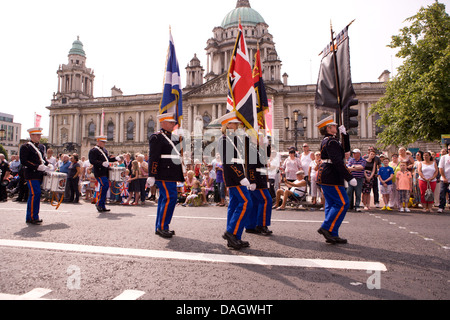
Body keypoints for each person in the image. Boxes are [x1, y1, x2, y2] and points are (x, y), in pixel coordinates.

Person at [315, 116, 356, 244]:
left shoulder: (332, 140)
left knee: (332, 204)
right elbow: (338, 161)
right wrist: (349, 177)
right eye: (334, 126)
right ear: (328, 128)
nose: (336, 128)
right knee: (342, 203)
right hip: (331, 174)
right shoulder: (331, 142)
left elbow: (345, 152)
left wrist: (345, 136)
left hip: (329, 174)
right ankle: (327, 227)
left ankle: (333, 233)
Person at [217, 112, 253, 250]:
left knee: (235, 205)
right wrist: (241, 177)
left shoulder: (232, 139)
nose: (237, 125)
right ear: (228, 125)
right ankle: (231, 232)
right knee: (246, 202)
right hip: (234, 177)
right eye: (235, 123)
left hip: (236, 176)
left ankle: (235, 237)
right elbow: (230, 161)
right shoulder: (224, 140)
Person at [147, 112, 185, 238]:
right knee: (170, 198)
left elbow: (179, 151)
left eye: (174, 122)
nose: (174, 124)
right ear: (163, 123)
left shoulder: (173, 137)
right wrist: (152, 174)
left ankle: (161, 226)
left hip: (172, 173)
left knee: (164, 199)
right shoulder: (157, 137)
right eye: (171, 122)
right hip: (163, 173)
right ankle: (163, 226)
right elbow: (154, 156)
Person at [19, 127, 51, 224]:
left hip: (39, 174)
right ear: (31, 135)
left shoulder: (41, 147)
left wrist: (48, 164)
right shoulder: (25, 147)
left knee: (35, 195)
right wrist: (37, 167)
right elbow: (24, 161)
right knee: (35, 194)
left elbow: (43, 159)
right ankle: (32, 217)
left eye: (40, 135)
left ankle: (32, 216)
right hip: (31, 174)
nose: (39, 137)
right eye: (37, 135)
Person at [245, 134, 273, 236]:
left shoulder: (257, 149)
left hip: (259, 179)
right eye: (261, 138)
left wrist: (267, 145)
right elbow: (250, 167)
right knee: (266, 200)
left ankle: (250, 226)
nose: (262, 139)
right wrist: (252, 181)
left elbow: (267, 156)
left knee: (255, 203)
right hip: (257, 180)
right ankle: (262, 225)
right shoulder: (252, 149)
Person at [88, 135, 119, 213]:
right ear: (98, 141)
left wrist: (115, 158)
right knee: (105, 185)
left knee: (105, 186)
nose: (104, 143)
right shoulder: (93, 150)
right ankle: (99, 203)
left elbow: (107, 159)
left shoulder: (104, 150)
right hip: (99, 172)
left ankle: (102, 205)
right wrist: (102, 163)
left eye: (104, 142)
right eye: (102, 142)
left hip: (105, 172)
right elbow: (92, 161)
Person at [438, 146, 450, 213]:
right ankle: (441, 207)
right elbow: (441, 168)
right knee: (442, 192)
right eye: (449, 149)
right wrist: (444, 177)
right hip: (444, 178)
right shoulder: (444, 157)